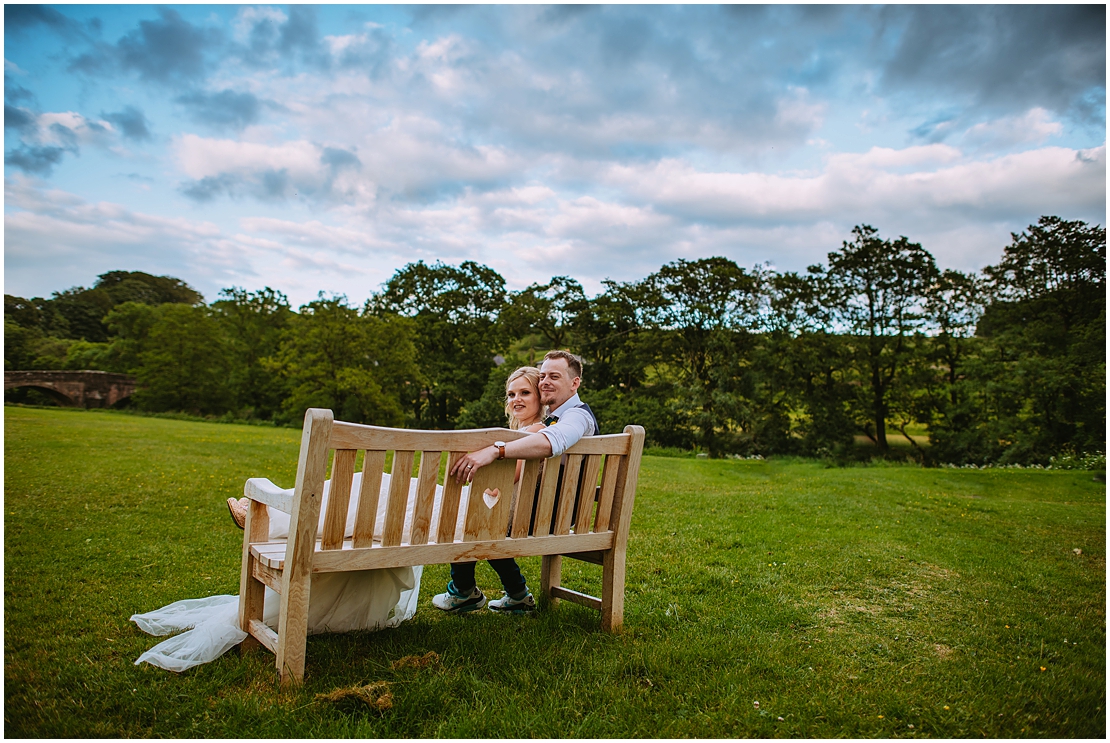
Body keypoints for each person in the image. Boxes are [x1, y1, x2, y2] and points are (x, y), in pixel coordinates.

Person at [437, 350, 598, 615]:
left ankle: (465, 591)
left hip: (548, 515)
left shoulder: (576, 417)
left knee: (474, 517)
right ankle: (509, 594)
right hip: (546, 510)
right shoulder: (553, 420)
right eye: (543, 375)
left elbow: (552, 441)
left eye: (554, 376)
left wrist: (496, 450)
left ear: (575, 382)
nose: (545, 381)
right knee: (477, 514)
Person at [431, 365, 547, 615]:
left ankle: (463, 591)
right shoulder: (523, 432)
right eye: (511, 394)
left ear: (540, 396)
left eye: (525, 393)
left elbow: (512, 476)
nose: (516, 399)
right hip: (511, 509)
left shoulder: (535, 432)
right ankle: (517, 595)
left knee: (468, 520)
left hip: (517, 512)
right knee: (477, 519)